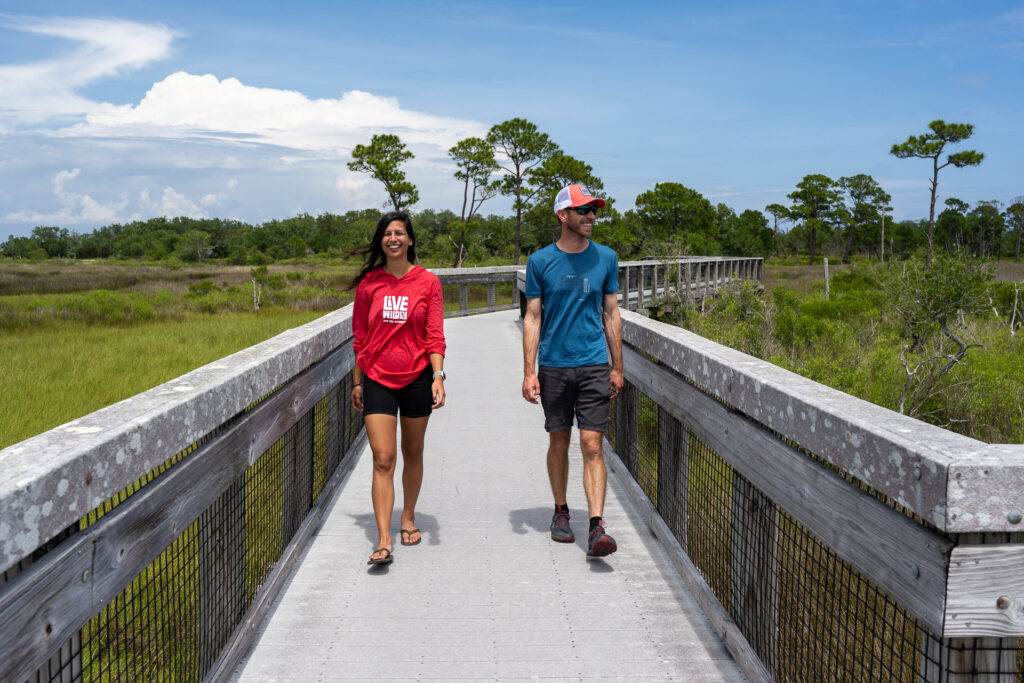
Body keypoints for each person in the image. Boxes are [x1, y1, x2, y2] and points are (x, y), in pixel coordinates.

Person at [521, 184, 624, 558]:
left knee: (592, 443)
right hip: (554, 365)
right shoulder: (540, 261)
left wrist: (618, 366)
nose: (591, 216)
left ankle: (596, 526)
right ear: (563, 215)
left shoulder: (607, 258)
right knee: (559, 439)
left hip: (595, 363)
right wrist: (529, 371)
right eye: (583, 210)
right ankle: (561, 512)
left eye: (594, 210)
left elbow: (611, 313)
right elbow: (533, 317)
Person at [349, 211, 446, 566]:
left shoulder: (427, 282)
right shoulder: (369, 285)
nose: (393, 238)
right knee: (383, 457)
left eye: (399, 233)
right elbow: (360, 338)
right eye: (387, 234)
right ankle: (384, 538)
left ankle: (408, 517)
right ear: (382, 241)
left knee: (414, 452)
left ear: (410, 240)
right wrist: (357, 382)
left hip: (417, 376)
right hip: (377, 378)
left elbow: (434, 335)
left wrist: (438, 376)